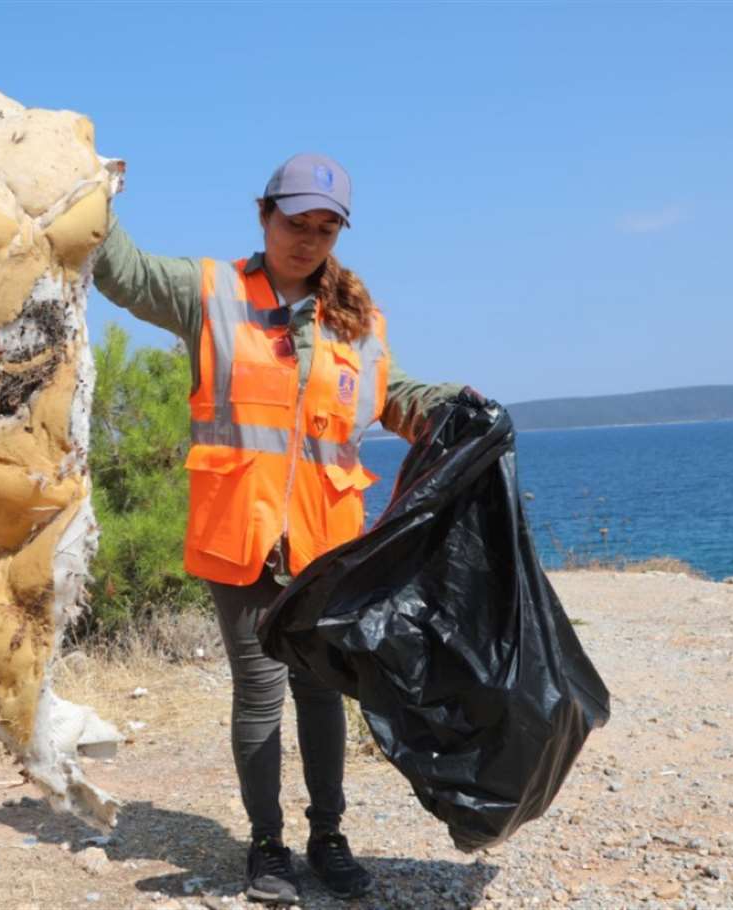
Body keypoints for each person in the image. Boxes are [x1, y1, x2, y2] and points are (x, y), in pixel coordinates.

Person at [91, 154, 485, 904]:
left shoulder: (361, 322)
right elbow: (124, 273)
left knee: (323, 694)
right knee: (260, 695)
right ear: (263, 215)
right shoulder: (211, 292)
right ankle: (266, 848)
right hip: (239, 534)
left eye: (324, 227)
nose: (306, 240)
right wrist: (91, 193)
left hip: (326, 545)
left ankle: (328, 838)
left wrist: (453, 406)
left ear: (339, 231)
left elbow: (388, 397)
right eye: (294, 223)